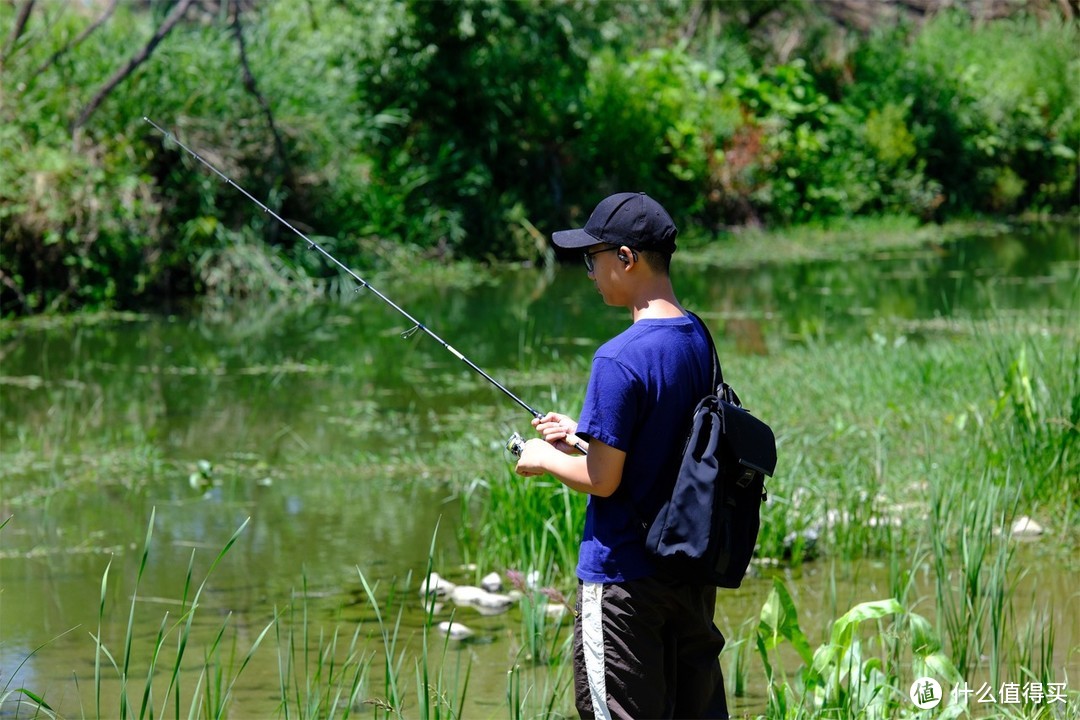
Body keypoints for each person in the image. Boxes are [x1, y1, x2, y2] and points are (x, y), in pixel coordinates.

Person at [514, 192, 729, 719]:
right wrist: (586, 435)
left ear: (627, 258)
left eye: (595, 259)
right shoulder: (696, 335)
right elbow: (668, 443)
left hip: (622, 583)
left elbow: (602, 480)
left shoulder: (617, 357)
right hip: (687, 572)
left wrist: (543, 456)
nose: (591, 273)